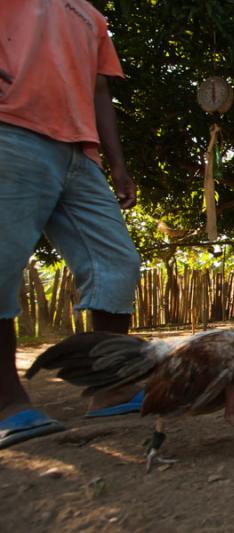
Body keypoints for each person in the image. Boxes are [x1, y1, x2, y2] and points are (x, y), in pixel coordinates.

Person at [0, 1, 142, 449]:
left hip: (80, 153)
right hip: (11, 129)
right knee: (2, 264)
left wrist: (117, 163)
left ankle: (111, 385)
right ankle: (6, 403)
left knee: (117, 263)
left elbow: (99, 90)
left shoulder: (91, 16)